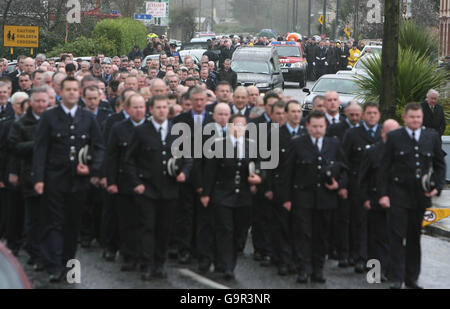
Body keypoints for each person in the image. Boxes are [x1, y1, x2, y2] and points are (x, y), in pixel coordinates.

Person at [32, 77, 105, 282]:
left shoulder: (87, 118)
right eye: (68, 89)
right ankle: (53, 264)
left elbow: (99, 147)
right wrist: (38, 178)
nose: (72, 92)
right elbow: (40, 149)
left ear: (79, 93)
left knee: (72, 224)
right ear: (60, 92)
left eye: (75, 89)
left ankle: (67, 263)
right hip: (54, 178)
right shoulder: (49, 117)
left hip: (78, 181)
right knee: (54, 223)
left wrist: (92, 168)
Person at [378, 103, 446, 289]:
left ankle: (411, 278)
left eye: (418, 117)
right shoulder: (393, 137)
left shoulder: (431, 137)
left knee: (414, 238)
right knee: (397, 237)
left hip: (420, 196)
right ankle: (396, 278)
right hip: (398, 194)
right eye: (412, 117)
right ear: (405, 118)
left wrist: (437, 187)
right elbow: (383, 168)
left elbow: (440, 164)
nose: (415, 120)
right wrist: (383, 194)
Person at [125, 95, 192, 280]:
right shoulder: (141, 131)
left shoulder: (177, 131)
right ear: (151, 110)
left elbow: (187, 158)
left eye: (165, 107)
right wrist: (136, 183)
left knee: (164, 229)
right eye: (158, 107)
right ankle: (147, 264)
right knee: (147, 227)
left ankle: (159, 264)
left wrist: (184, 172)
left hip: (169, 189)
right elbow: (129, 160)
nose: (162, 110)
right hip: (147, 189)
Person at [280, 110, 347, 284]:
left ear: (326, 127)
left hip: (325, 198)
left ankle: (318, 270)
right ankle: (303, 269)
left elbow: (344, 169)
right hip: (302, 197)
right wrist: (286, 198)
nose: (318, 130)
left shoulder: (334, 144)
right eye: (315, 126)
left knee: (321, 235)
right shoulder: (297, 144)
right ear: (308, 126)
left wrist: (339, 184)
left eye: (321, 126)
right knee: (303, 235)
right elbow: (287, 173)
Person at [201, 114, 263, 280]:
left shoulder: (251, 146)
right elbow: (210, 171)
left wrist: (258, 177)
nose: (239, 129)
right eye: (236, 125)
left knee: (238, 231)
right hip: (222, 194)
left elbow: (259, 166)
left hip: (243, 196)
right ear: (229, 127)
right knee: (225, 230)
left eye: (242, 126)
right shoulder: (218, 145)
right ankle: (227, 265)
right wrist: (206, 193)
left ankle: (226, 260)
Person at [7, 87, 49, 270]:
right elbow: (14, 147)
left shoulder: (53, 120)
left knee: (50, 218)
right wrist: (39, 143)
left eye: (43, 101)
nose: (40, 105)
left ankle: (49, 252)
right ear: (31, 103)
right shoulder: (21, 123)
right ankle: (35, 251)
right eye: (37, 101)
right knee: (33, 218)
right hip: (30, 175)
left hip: (52, 175)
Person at [359, 119, 401, 282]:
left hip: (398, 201)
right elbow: (363, 178)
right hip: (375, 200)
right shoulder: (373, 151)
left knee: (394, 238)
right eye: (389, 132)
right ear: (382, 133)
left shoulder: (403, 151)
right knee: (375, 239)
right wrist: (365, 199)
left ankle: (392, 271)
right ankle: (375, 272)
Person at [342, 102, 382, 274]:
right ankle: (359, 257)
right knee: (360, 223)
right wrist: (344, 185)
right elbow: (343, 160)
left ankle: (375, 262)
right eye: (369, 113)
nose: (372, 116)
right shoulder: (353, 133)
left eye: (375, 113)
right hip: (358, 185)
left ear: (379, 115)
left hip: (379, 187)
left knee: (377, 228)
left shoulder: (384, 134)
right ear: (364, 115)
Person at [326, 102, 362, 267]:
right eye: (351, 115)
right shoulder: (336, 129)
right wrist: (340, 184)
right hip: (344, 180)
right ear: (345, 113)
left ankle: (357, 254)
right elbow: (340, 159)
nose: (354, 118)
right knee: (343, 220)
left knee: (359, 221)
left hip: (361, 183)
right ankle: (343, 253)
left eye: (357, 115)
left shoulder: (363, 131)